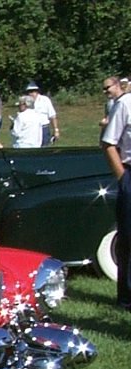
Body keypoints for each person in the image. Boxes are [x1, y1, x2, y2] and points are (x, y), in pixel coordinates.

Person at [101, 84, 131, 311]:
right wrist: (123, 179)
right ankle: (127, 298)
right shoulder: (125, 104)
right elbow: (109, 143)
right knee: (129, 238)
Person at [25, 82, 58, 146]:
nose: (31, 93)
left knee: (44, 148)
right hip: (31, 129)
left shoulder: (45, 100)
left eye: (33, 91)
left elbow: (52, 116)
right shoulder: (25, 101)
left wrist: (56, 130)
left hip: (44, 128)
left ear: (37, 91)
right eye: (29, 92)